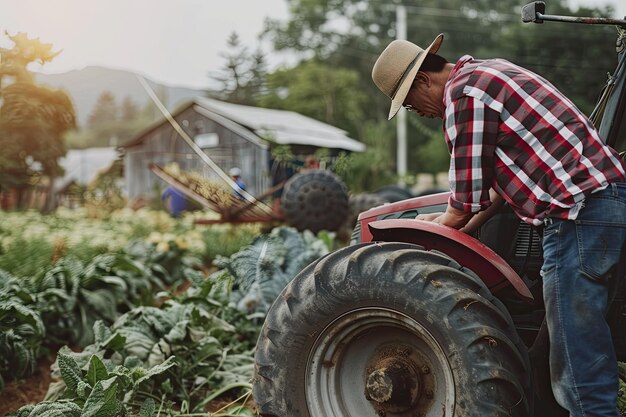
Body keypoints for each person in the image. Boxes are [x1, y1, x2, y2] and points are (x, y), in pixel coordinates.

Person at [372, 34, 626, 417]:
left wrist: (439, 227)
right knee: (582, 336)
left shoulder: (463, 96)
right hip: (599, 205)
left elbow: (464, 200)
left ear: (424, 80)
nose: (420, 112)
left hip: (576, 215)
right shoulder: (488, 74)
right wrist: (457, 227)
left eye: (410, 103)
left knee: (576, 349)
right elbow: (495, 192)